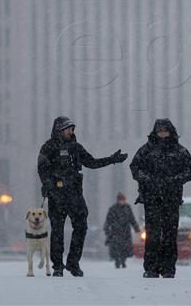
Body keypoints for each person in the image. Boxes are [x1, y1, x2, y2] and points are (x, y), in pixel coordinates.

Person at [37, 116, 128, 277]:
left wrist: (111, 160)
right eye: (68, 128)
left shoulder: (75, 147)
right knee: (57, 230)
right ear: (59, 130)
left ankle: (73, 263)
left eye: (72, 128)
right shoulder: (48, 147)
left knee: (81, 227)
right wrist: (47, 183)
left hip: (74, 194)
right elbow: (42, 168)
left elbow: (91, 163)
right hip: (57, 195)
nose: (71, 131)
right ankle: (58, 265)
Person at [130, 118, 191, 278]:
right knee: (152, 234)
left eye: (165, 131)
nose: (163, 134)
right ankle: (151, 268)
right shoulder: (146, 150)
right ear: (155, 132)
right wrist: (147, 180)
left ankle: (168, 268)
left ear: (171, 132)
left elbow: (190, 170)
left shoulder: (180, 151)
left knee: (170, 234)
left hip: (171, 198)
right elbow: (135, 167)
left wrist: (175, 180)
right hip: (151, 198)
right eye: (160, 131)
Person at [103, 192, 140, 268]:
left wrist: (136, 228)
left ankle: (123, 260)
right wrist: (107, 229)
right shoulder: (113, 209)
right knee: (117, 247)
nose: (123, 201)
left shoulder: (127, 208)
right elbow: (108, 220)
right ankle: (117, 260)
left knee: (125, 247)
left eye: (124, 200)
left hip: (125, 231)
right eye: (121, 200)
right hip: (116, 231)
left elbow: (131, 219)